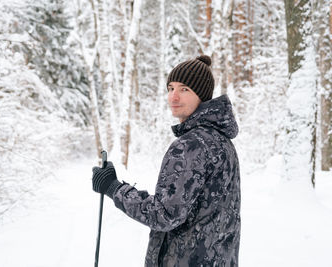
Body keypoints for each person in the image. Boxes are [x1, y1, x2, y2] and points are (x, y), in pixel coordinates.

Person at [92, 55, 241, 267]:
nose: (173, 97)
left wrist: (113, 188)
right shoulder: (222, 141)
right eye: (171, 88)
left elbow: (163, 214)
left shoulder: (191, 145)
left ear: (202, 95)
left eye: (184, 89)